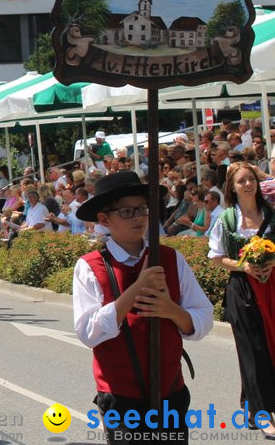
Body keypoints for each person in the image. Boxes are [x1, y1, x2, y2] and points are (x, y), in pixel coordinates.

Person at [74, 171, 213, 444]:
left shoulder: (170, 258)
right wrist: (135, 290)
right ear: (104, 219)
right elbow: (88, 332)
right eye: (127, 211)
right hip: (121, 399)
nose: (138, 217)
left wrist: (170, 310)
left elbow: (203, 318)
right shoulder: (90, 267)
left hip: (170, 393)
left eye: (142, 209)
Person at [208, 161, 275, 436]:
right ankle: (262, 413)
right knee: (252, 348)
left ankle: (250, 405)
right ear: (232, 189)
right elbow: (215, 257)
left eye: (251, 179)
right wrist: (243, 266)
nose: (248, 185)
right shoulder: (226, 220)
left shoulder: (270, 214)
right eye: (241, 182)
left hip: (271, 285)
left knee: (268, 344)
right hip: (242, 289)